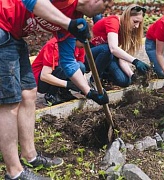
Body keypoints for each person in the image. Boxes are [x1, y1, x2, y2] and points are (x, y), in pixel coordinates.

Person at [0, 0, 111, 179]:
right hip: (2, 24)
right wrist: (68, 24)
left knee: (28, 94)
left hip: (15, 37)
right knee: (8, 102)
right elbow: (31, 2)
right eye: (105, 6)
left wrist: (89, 91)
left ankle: (29, 155)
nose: (104, 12)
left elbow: (68, 63)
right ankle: (15, 172)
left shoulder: (75, 20)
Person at [90, 4, 150, 87]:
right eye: (135, 22)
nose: (137, 26)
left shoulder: (126, 30)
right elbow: (113, 49)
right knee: (106, 49)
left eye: (139, 23)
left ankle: (105, 74)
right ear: (126, 16)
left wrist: (132, 76)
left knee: (125, 81)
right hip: (92, 53)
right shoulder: (113, 21)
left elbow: (121, 57)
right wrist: (136, 61)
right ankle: (94, 80)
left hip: (108, 56)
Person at [32, 37, 86, 106]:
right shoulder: (54, 45)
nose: (85, 45)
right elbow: (44, 76)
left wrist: (85, 87)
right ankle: (51, 95)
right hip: (40, 81)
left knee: (80, 66)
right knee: (65, 66)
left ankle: (63, 92)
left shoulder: (80, 46)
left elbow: (81, 69)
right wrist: (68, 84)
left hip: (58, 73)